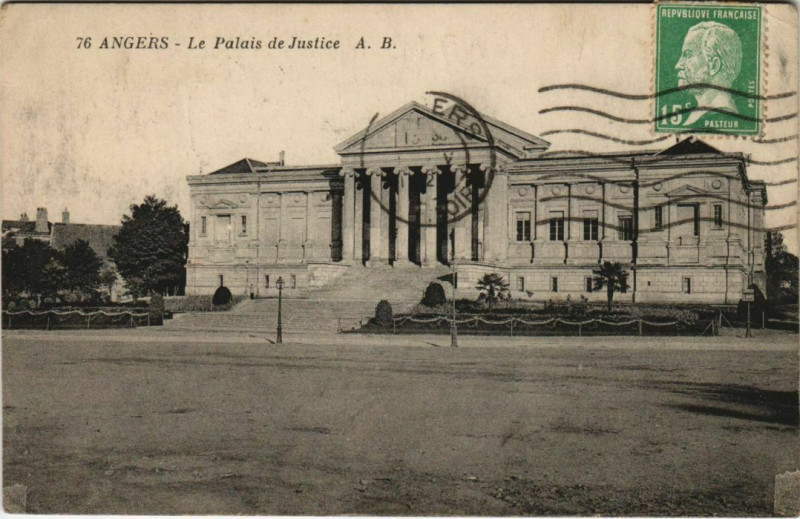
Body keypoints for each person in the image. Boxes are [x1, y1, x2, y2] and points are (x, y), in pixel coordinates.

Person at [674, 21, 743, 126]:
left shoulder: (721, 115)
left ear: (714, 65)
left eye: (688, 55)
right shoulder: (704, 116)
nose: (678, 65)